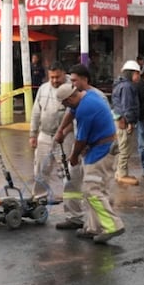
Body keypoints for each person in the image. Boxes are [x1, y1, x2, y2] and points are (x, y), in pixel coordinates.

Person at [56, 77, 126, 244]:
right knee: (92, 190)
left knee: (92, 190)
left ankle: (112, 226)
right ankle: (94, 228)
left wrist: (73, 157)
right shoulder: (87, 96)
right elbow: (71, 113)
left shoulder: (85, 109)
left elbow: (81, 139)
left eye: (66, 104)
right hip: (99, 147)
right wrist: (61, 130)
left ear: (71, 98)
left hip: (101, 150)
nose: (66, 108)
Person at [30, 60, 84, 229]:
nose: (54, 81)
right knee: (40, 170)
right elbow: (36, 112)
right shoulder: (43, 89)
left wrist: (64, 132)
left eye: (57, 77)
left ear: (64, 74)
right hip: (45, 136)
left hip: (66, 138)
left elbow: (75, 115)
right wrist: (33, 134)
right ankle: (38, 204)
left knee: (69, 174)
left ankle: (74, 215)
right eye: (51, 77)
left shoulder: (72, 89)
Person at [111, 60, 141, 186]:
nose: (138, 77)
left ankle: (120, 172)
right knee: (125, 149)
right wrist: (130, 122)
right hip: (123, 121)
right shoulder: (127, 87)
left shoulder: (120, 85)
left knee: (122, 147)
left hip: (119, 119)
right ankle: (122, 174)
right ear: (131, 73)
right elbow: (127, 106)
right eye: (137, 74)